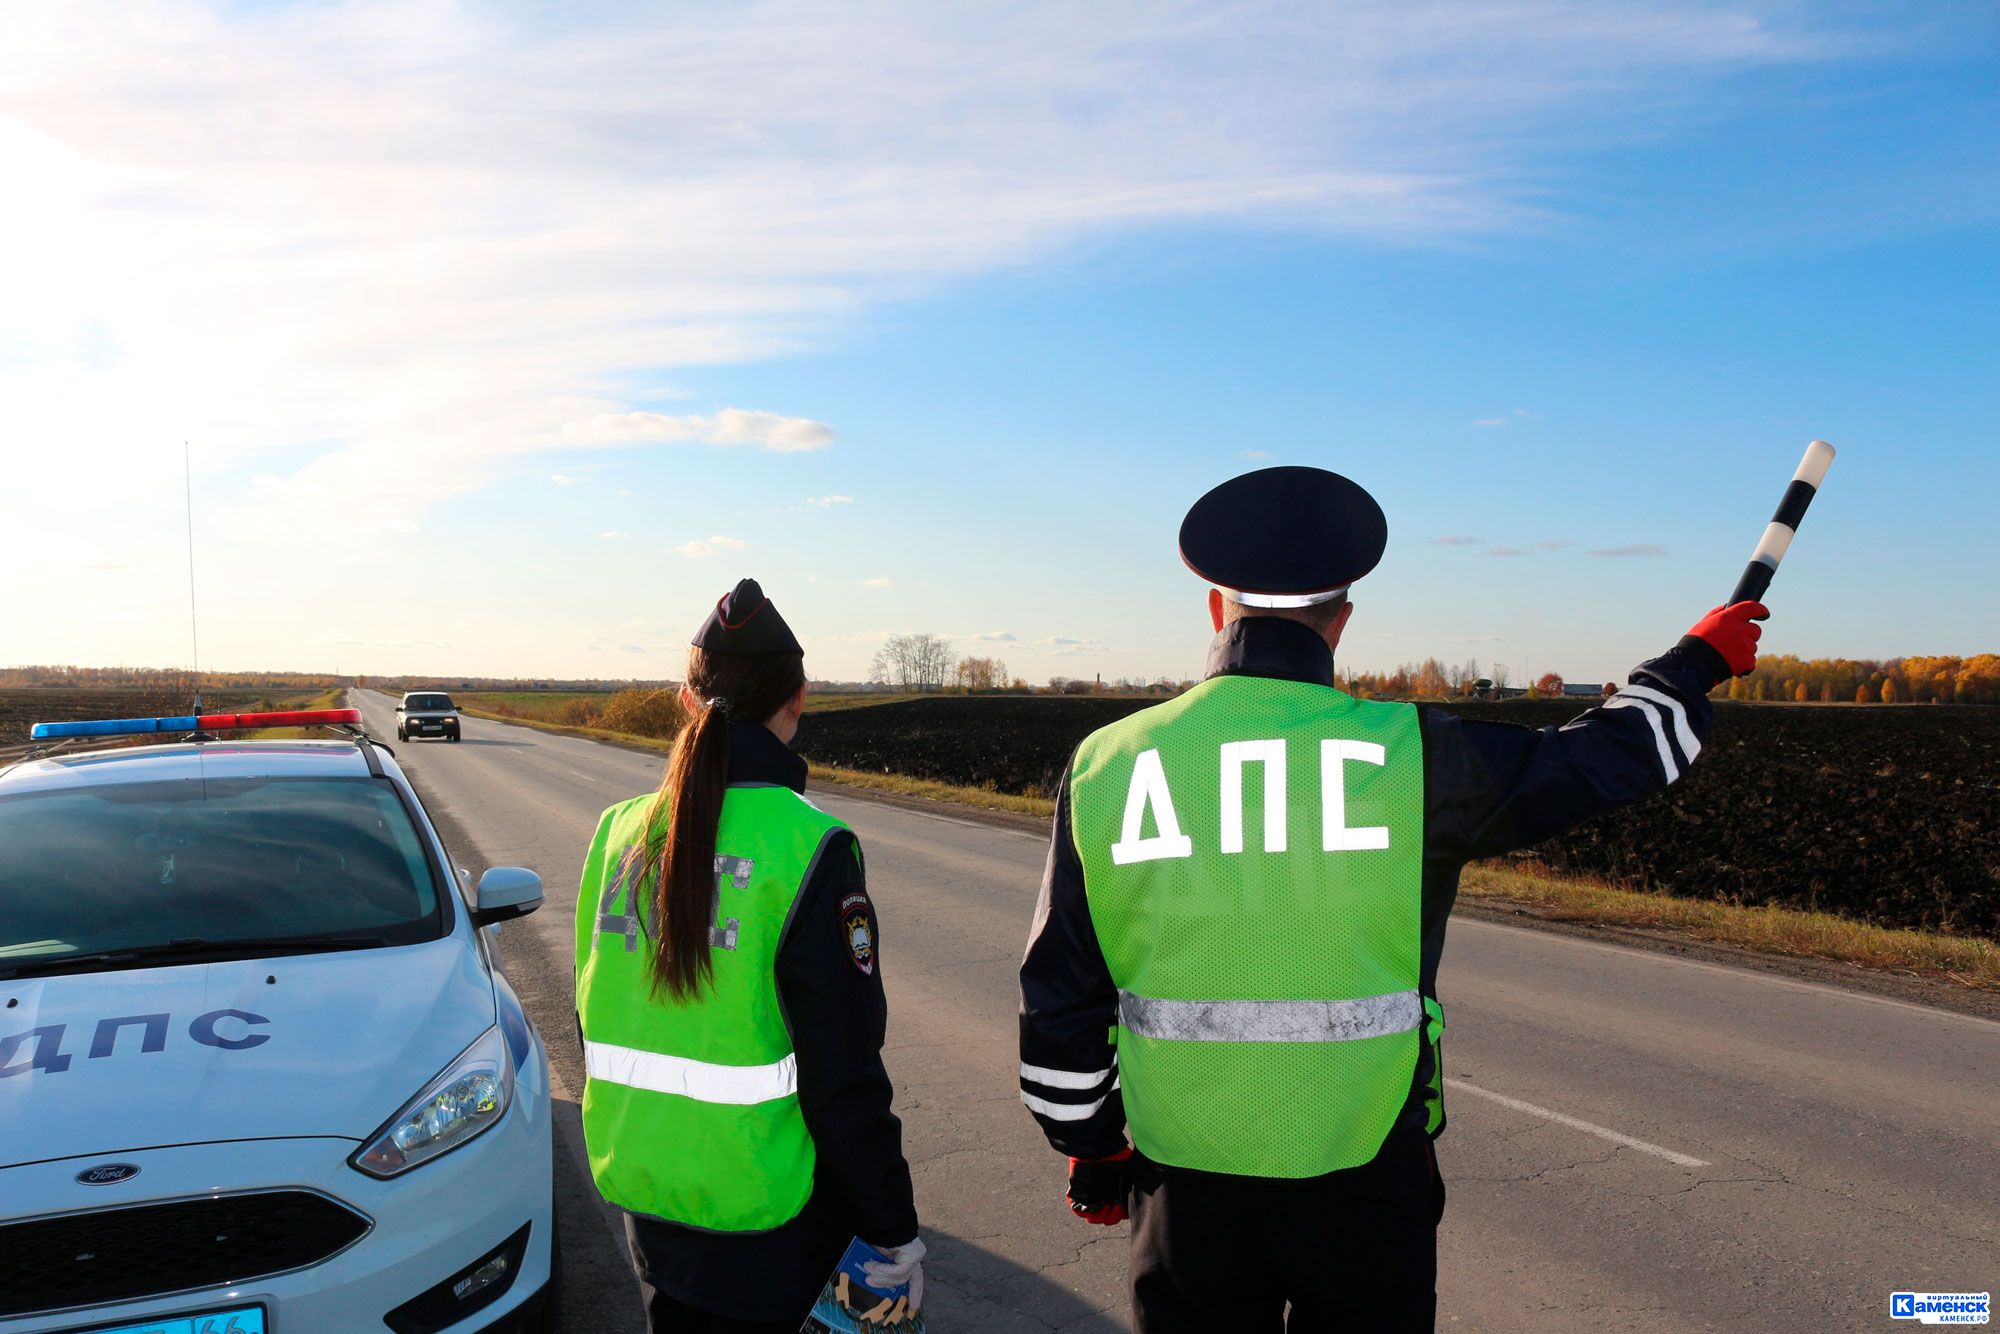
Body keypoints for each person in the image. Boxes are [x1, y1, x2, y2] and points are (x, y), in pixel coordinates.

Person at [1016, 466, 1767, 1332]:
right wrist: (1696, 662)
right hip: (1371, 1174)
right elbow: (1609, 756)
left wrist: (1092, 1143)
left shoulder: (1109, 760)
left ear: (1217, 610)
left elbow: (1059, 991)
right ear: (1340, 619)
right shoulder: (1416, 754)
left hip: (1185, 1183)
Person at [576, 578, 925, 1332]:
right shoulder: (809, 845)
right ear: (797, 700)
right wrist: (893, 1227)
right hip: (772, 1222)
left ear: (683, 699)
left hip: (650, 1193)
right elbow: (844, 1072)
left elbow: (592, 1011)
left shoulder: (618, 833)